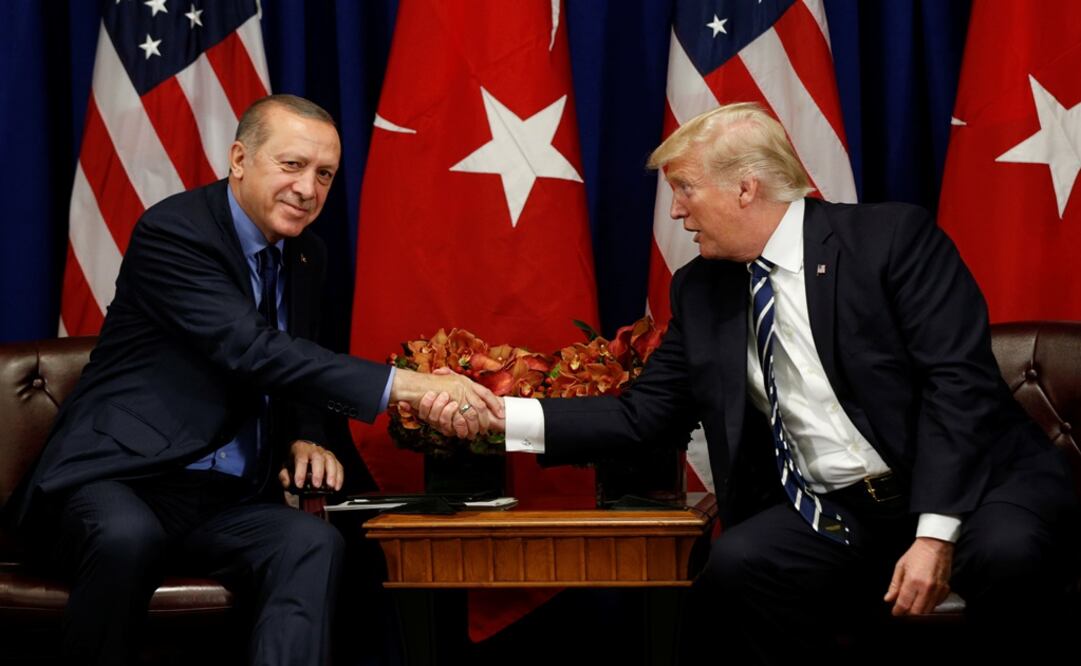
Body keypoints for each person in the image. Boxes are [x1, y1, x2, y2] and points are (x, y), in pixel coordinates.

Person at [415, 102, 1080, 662]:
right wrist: (502, 416)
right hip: (847, 510)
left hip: (977, 487)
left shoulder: (887, 241)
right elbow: (644, 416)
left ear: (746, 188)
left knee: (1007, 554)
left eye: (685, 188)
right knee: (738, 568)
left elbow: (955, 387)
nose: (676, 212)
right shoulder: (703, 289)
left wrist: (934, 534)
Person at [8, 94, 501, 666]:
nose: (308, 189)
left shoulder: (306, 255)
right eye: (291, 165)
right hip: (120, 477)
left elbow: (298, 361)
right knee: (128, 536)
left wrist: (304, 433)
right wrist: (406, 385)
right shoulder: (175, 232)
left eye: (324, 174)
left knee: (310, 542)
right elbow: (252, 348)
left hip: (221, 499)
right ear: (240, 159)